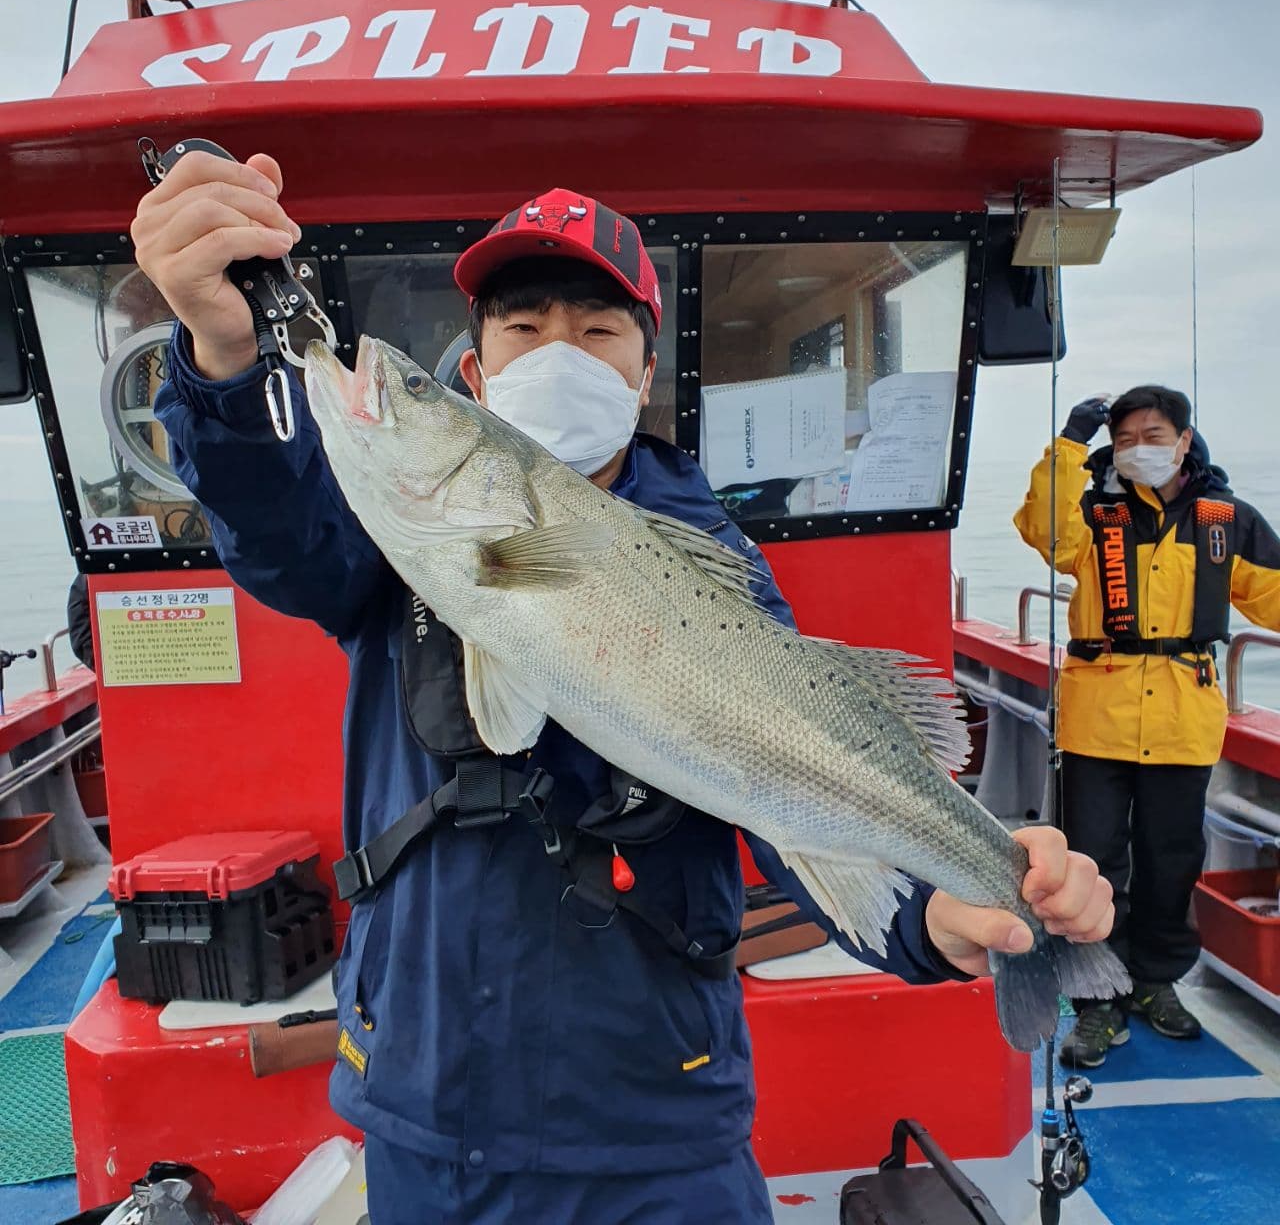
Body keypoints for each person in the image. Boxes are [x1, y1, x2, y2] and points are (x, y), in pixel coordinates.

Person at [132, 151, 1114, 1224]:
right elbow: (280, 537)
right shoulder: (388, 544)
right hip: (425, 1097)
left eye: (598, 331)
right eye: (520, 326)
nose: (558, 351)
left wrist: (942, 917)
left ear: (643, 373)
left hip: (658, 1114)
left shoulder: (713, 561)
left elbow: (802, 810)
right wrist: (225, 360)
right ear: (474, 377)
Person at [1015, 385, 1280, 1070]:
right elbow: (1038, 529)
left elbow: (1275, 596)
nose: (1140, 449)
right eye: (1125, 438)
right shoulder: (1091, 513)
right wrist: (1068, 443)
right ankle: (1096, 999)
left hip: (1184, 717)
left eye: (1154, 436)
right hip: (1095, 719)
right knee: (1093, 862)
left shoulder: (1227, 521)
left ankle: (1157, 982)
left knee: (1172, 860)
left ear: (1185, 441)